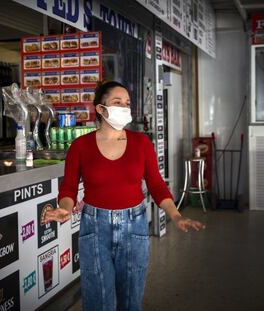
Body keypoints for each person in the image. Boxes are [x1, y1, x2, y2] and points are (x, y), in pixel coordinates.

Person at [45, 81, 205, 311]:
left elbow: (157, 185)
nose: (124, 108)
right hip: (94, 227)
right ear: (100, 109)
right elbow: (69, 188)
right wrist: (65, 208)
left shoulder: (141, 143)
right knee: (98, 298)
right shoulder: (80, 146)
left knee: (131, 298)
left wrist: (176, 215)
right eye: (117, 102)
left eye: (127, 103)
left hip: (135, 226)